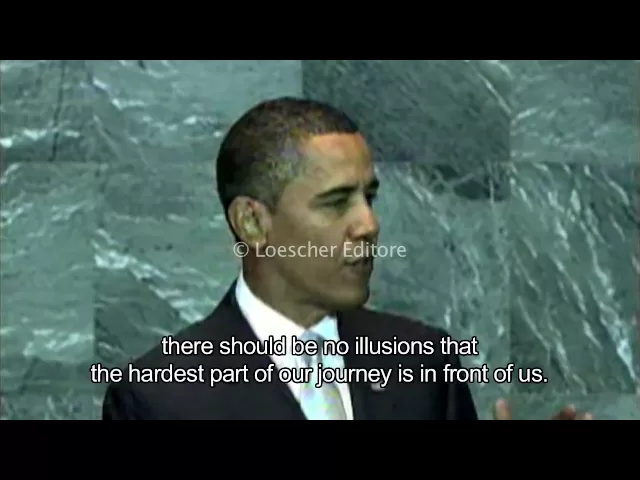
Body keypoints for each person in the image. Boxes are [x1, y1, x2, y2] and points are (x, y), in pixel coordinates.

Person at [102, 97, 592, 420]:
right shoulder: (157, 398)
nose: (368, 224)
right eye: (336, 202)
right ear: (252, 222)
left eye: (369, 198)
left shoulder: (426, 363)